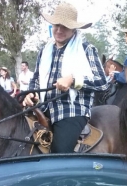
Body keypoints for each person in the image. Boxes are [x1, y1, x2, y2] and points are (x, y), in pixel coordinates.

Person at [23, 2, 108, 154]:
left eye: (65, 26)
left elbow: (102, 82)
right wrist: (31, 93)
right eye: (56, 25)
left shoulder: (86, 48)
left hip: (71, 109)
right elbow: (35, 79)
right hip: (43, 106)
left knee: (60, 151)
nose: (59, 30)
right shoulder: (45, 50)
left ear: (74, 28)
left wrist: (73, 80)